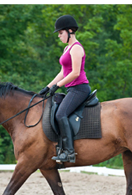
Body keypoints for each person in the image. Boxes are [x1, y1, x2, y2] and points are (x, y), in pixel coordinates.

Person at [39, 15, 91, 163]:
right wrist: (48, 87)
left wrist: (58, 85)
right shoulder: (67, 48)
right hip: (72, 89)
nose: (59, 36)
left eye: (61, 33)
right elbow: (63, 72)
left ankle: (69, 152)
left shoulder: (76, 48)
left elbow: (75, 72)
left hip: (80, 89)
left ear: (70, 31)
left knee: (60, 114)